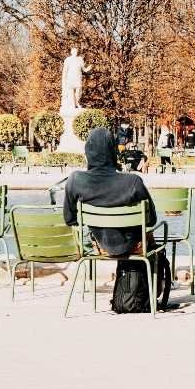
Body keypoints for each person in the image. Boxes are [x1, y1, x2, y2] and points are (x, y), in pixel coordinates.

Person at [63, 127, 173, 310]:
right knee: (152, 240)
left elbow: (69, 219)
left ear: (88, 152)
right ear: (113, 150)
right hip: (136, 247)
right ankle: (150, 293)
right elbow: (152, 220)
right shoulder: (132, 181)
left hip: (101, 247)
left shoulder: (75, 180)